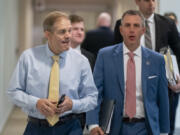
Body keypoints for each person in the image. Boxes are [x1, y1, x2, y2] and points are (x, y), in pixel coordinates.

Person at [7, 11, 98, 135]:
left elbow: (92, 98)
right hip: (36, 127)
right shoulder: (29, 57)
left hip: (70, 127)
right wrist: (36, 103)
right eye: (62, 32)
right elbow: (13, 92)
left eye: (69, 31)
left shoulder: (81, 61)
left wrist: (73, 104)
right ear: (47, 34)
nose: (68, 36)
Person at [86, 10, 170, 135]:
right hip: (114, 127)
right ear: (121, 30)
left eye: (136, 26)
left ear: (143, 30)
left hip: (147, 128)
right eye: (127, 25)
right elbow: (95, 93)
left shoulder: (157, 60)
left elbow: (162, 98)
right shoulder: (105, 55)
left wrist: (164, 132)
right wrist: (93, 124)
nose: (131, 30)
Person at [114, 1, 180, 134]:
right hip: (134, 85)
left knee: (166, 128)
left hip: (164, 86)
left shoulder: (168, 24)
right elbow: (117, 55)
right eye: (146, 0)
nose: (151, 3)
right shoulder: (122, 24)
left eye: (154, 0)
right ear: (137, 2)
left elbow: (178, 52)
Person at [69, 14, 95, 129]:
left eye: (82, 29)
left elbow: (93, 89)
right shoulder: (57, 55)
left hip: (81, 116)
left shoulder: (90, 57)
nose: (79, 32)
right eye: (75, 29)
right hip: (59, 115)